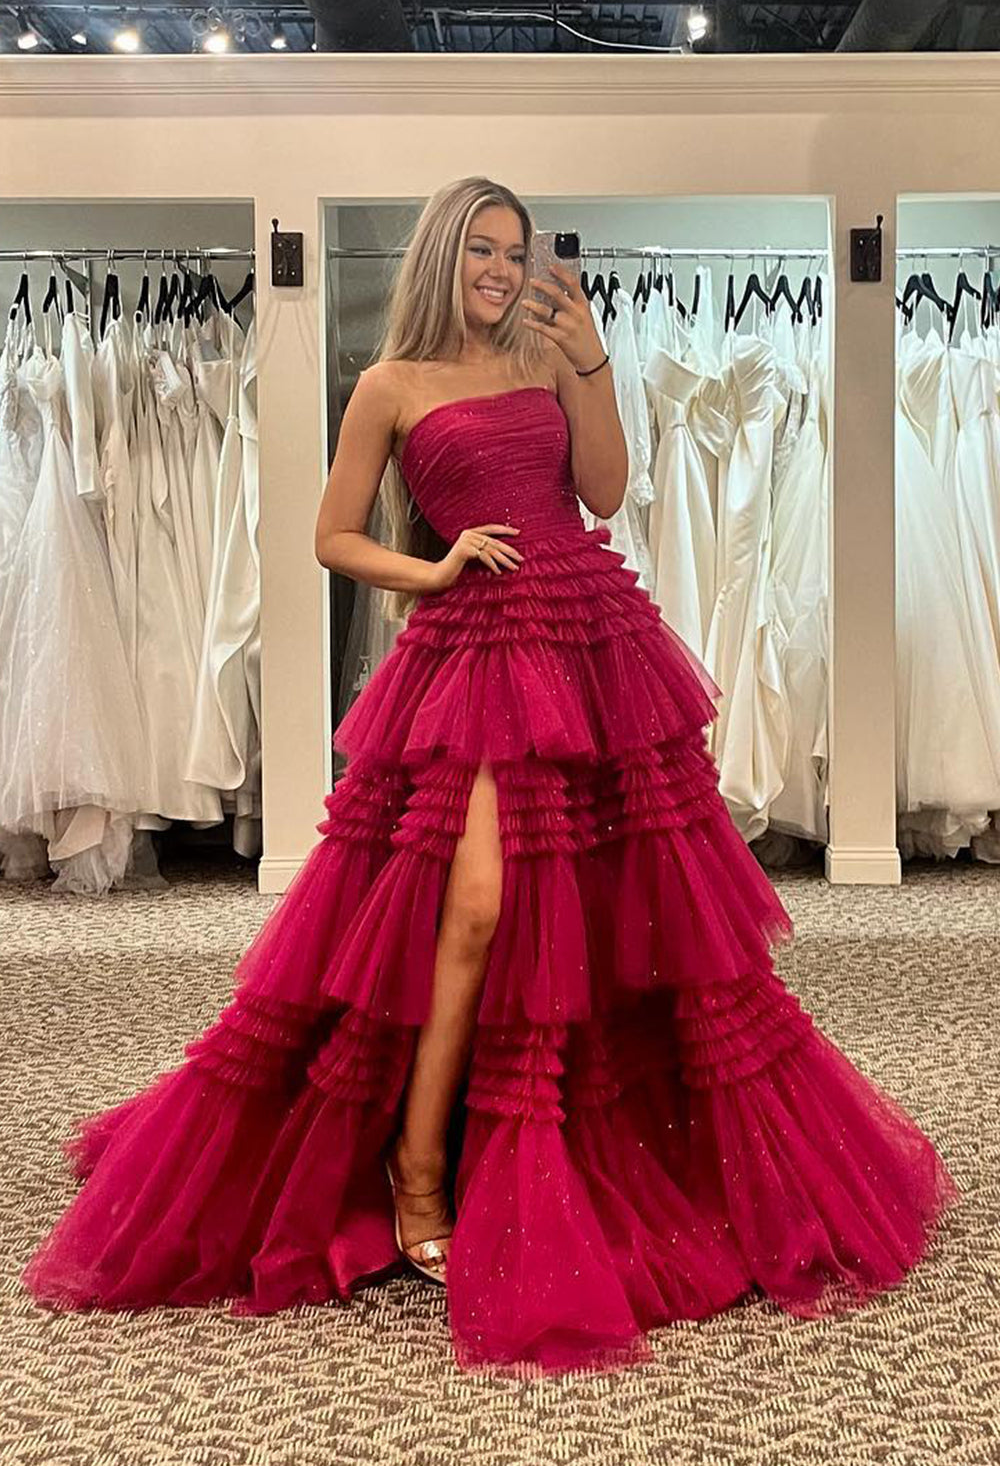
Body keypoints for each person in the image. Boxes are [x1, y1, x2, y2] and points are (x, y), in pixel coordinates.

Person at [23, 177, 958, 1375]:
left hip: (589, 641)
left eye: (515, 252)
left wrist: (594, 358)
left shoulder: (548, 357)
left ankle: (539, 1141)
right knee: (473, 907)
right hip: (476, 651)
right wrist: (434, 569)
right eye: (482, 249)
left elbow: (604, 493)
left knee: (619, 906)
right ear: (442, 255)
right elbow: (331, 536)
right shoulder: (389, 384)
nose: (502, 270)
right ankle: (417, 1165)